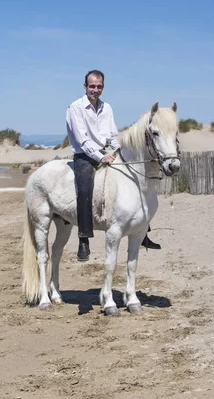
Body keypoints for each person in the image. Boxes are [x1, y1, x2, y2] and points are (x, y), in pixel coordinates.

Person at [65, 70, 160, 262]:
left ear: (103, 87)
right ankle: (84, 238)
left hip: (106, 152)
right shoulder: (75, 107)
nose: (95, 90)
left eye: (99, 86)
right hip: (85, 156)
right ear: (85, 87)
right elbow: (82, 140)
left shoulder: (107, 107)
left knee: (134, 182)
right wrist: (100, 157)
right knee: (84, 189)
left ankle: (144, 231)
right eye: (92, 86)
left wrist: (120, 149)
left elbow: (113, 134)